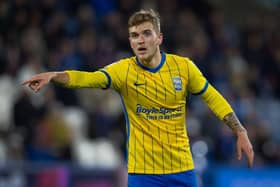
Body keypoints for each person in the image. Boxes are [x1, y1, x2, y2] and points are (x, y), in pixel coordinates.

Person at [23, 9, 254, 187]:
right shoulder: (123, 71)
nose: (140, 40)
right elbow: (89, 78)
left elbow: (212, 97)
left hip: (182, 170)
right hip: (143, 175)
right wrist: (54, 75)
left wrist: (240, 131)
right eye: (134, 36)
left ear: (159, 38)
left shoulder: (183, 68)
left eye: (146, 33)